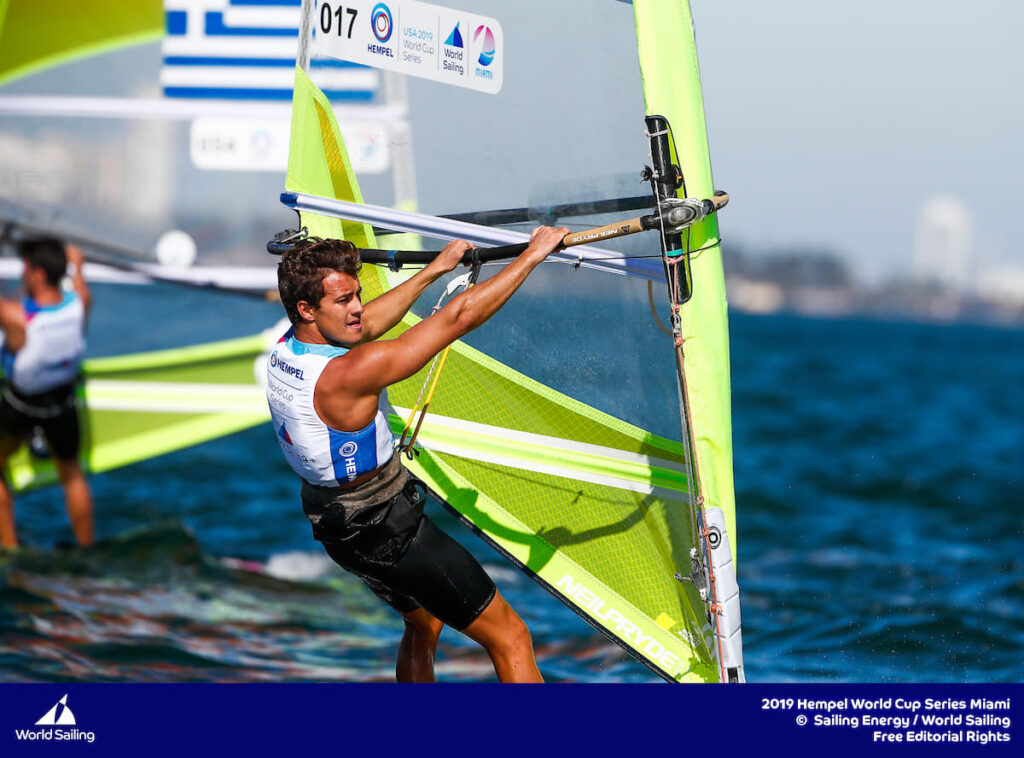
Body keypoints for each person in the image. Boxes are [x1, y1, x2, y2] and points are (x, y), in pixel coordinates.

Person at [269, 226, 567, 682]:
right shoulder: (348, 373)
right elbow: (457, 318)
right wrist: (533, 255)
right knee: (510, 637)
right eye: (344, 300)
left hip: (338, 527)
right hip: (387, 529)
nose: (357, 308)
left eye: (357, 295)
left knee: (423, 621)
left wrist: (435, 270)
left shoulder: (289, 348)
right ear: (307, 309)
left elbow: (367, 324)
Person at [0, 238, 94, 550]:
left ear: (38, 274)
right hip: (62, 404)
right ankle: (86, 546)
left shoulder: (16, 317)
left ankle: (10, 549)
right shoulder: (80, 303)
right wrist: (76, 263)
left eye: (25, 269)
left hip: (21, 406)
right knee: (72, 475)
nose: (21, 275)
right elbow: (78, 279)